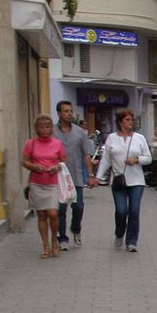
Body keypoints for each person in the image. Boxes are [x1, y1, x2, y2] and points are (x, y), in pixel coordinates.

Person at [94, 107, 151, 252]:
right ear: (120, 122)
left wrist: (137, 159)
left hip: (136, 181)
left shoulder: (140, 138)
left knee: (134, 211)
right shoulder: (112, 138)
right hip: (119, 180)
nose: (130, 122)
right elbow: (106, 160)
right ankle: (119, 233)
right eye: (127, 120)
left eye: (131, 119)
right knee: (121, 210)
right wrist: (97, 178)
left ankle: (131, 241)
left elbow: (149, 158)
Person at [21, 114, 67, 258]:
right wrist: (34, 166)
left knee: (53, 213)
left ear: (51, 128)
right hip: (36, 182)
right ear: (37, 128)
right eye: (41, 127)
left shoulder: (57, 144)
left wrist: (56, 167)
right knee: (41, 214)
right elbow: (24, 161)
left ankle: (55, 239)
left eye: (47, 126)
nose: (45, 129)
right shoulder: (31, 144)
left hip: (52, 183)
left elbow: (64, 161)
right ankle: (45, 245)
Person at [53, 100, 94, 250]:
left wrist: (90, 175)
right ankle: (62, 238)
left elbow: (87, 155)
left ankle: (76, 229)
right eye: (66, 111)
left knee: (78, 207)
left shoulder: (80, 133)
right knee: (61, 209)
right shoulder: (52, 132)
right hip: (59, 177)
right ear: (59, 113)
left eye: (71, 111)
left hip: (76, 176)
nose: (70, 114)